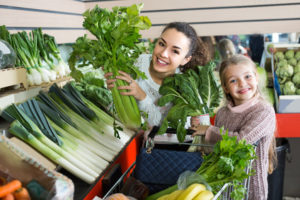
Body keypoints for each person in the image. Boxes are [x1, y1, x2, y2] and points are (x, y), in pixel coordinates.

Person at [191, 54, 277, 200]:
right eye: (233, 80)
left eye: (247, 76)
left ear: (256, 77)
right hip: (221, 187)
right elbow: (214, 149)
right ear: (225, 88)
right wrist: (198, 132)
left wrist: (208, 130)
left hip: (250, 190)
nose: (242, 84)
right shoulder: (222, 114)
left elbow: (241, 141)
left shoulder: (264, 111)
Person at [105, 22, 210, 128]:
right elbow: (115, 109)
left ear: (185, 59)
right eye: (162, 44)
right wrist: (114, 88)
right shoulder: (134, 63)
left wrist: (142, 97)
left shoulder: (185, 88)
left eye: (175, 51)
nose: (163, 54)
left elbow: (169, 130)